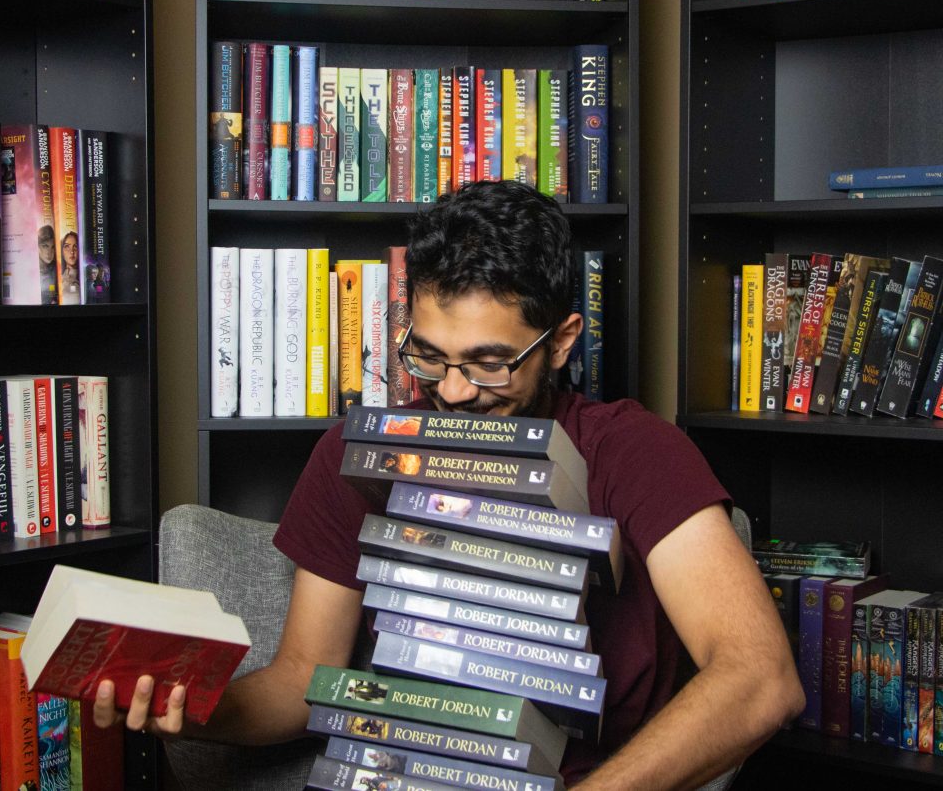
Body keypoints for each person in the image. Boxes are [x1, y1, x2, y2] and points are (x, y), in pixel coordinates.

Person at [94, 180, 803, 788]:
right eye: (429, 357)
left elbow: (760, 678)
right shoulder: (358, 450)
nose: (455, 390)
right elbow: (303, 676)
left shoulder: (632, 450)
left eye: (490, 362)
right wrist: (197, 708)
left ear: (561, 341)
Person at [38, 224, 58, 305]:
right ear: (38, 246)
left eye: (52, 247)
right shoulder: (31, 266)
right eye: (45, 246)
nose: (49, 252)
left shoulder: (57, 268)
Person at [59, 230, 80, 303]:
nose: (72, 251)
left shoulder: (85, 278)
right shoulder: (59, 278)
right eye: (67, 246)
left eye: (75, 246)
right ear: (62, 251)